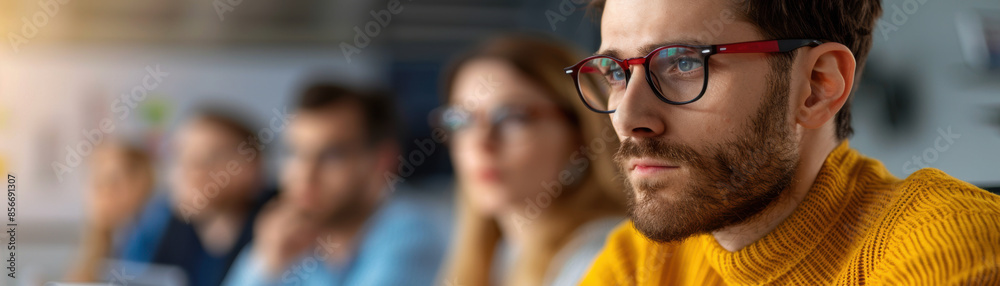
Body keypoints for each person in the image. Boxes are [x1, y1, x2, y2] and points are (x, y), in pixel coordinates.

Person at [571, 0, 1000, 285]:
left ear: (816, 86)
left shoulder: (945, 246)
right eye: (615, 72)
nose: (626, 118)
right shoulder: (640, 262)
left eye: (683, 63)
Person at [437, 35, 626, 286]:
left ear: (580, 136)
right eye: (461, 120)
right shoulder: (498, 254)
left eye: (513, 118)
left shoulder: (602, 257)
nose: (480, 144)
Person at [223, 84, 447, 286]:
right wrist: (266, 264)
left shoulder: (411, 235)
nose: (305, 174)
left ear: (383, 161)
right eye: (294, 153)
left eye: (332, 156)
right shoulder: (287, 240)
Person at [119, 107, 274, 286]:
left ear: (252, 168)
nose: (189, 172)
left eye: (208, 158)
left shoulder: (279, 230)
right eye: (180, 156)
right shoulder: (167, 223)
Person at [66, 140, 155, 283]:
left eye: (112, 181)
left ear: (140, 185)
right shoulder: (99, 244)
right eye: (95, 181)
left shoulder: (151, 240)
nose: (100, 192)